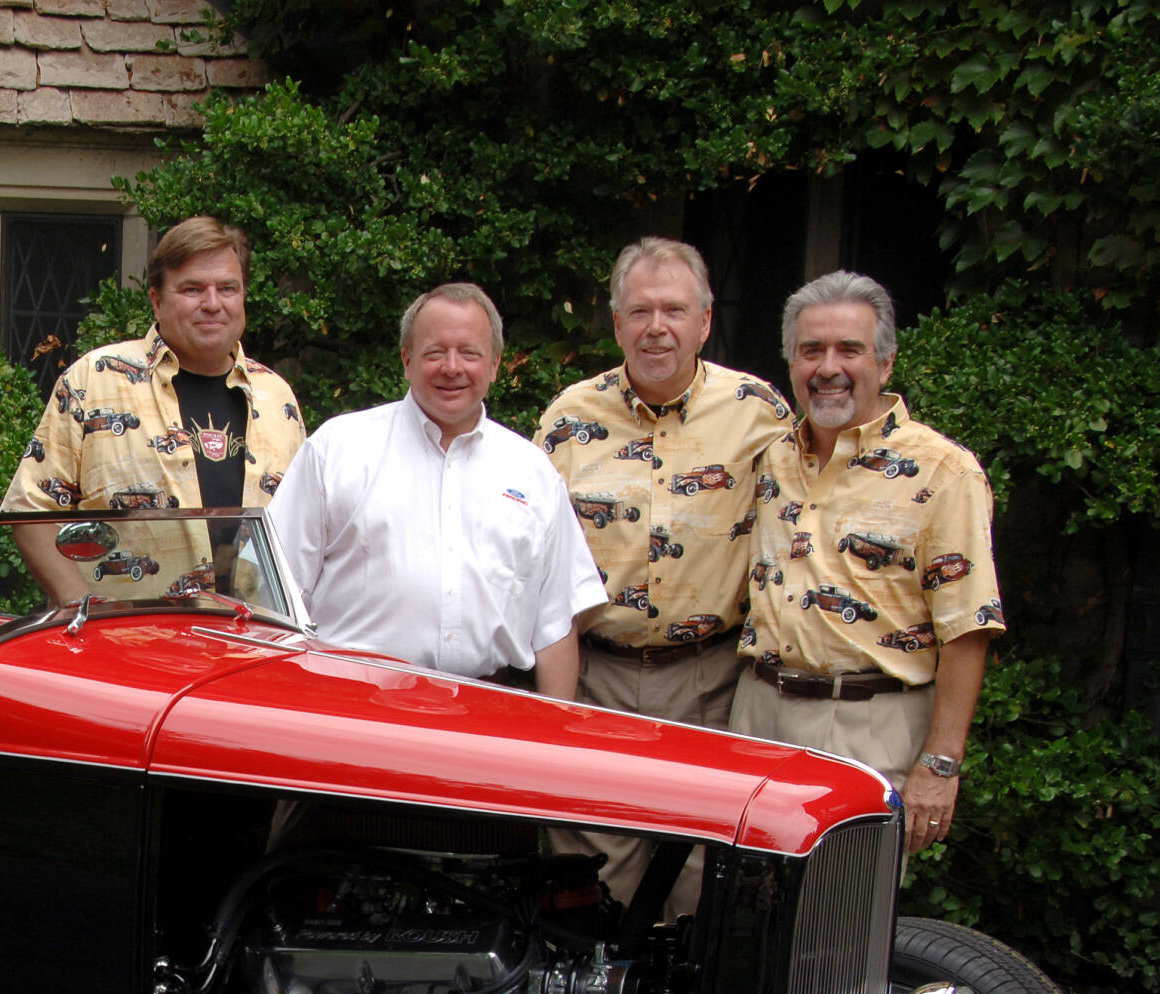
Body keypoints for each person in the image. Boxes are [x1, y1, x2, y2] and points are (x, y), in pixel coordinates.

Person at [538, 237, 798, 911]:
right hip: (596, 677)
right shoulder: (569, 420)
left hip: (708, 681)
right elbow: (531, 555)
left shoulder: (760, 413)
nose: (658, 327)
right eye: (641, 310)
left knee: (697, 876)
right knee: (592, 875)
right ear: (617, 322)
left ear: (704, 321)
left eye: (675, 310)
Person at [736, 271, 1006, 858]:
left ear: (884, 364)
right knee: (740, 918)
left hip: (869, 721)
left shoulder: (943, 472)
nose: (827, 367)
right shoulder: (772, 459)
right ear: (791, 365)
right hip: (755, 714)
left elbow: (968, 627)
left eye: (848, 350)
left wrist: (939, 766)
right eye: (811, 351)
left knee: (838, 926)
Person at [267, 283, 604, 692]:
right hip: (349, 710)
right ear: (407, 360)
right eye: (434, 352)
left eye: (470, 353)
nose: (452, 367)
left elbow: (555, 628)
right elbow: (273, 599)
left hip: (488, 714)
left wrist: (552, 745)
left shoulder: (532, 473)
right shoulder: (335, 451)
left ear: (495, 364)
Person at [2, 216, 306, 605]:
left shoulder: (278, 398)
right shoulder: (95, 380)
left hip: (252, 645)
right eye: (192, 289)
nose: (212, 303)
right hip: (126, 649)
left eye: (227, 288)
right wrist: (85, 612)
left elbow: (305, 531)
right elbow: (31, 512)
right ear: (156, 300)